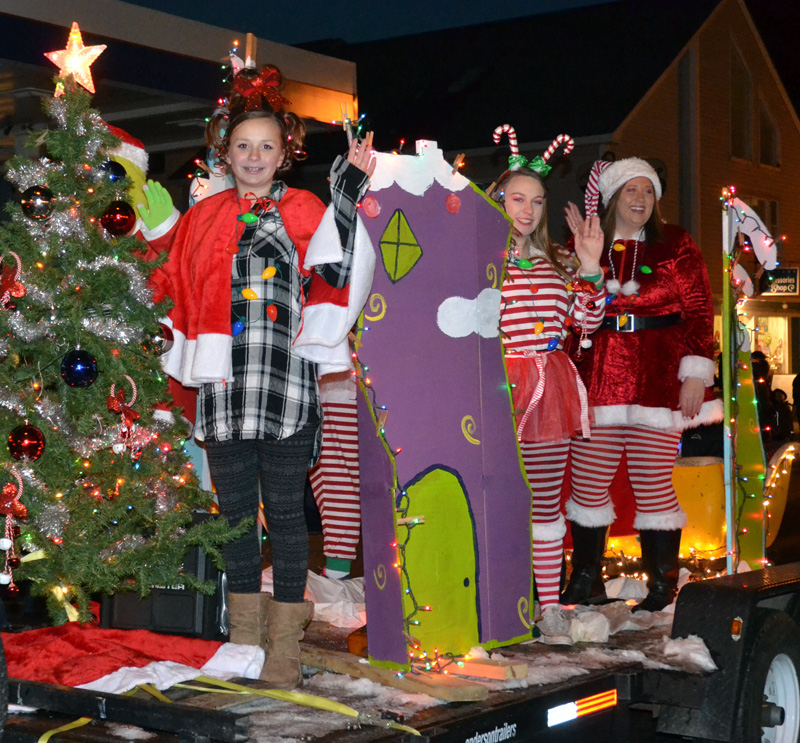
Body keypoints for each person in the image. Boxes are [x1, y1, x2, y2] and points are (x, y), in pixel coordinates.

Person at [147, 65, 375, 688]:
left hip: (287, 388)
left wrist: (347, 193)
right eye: (242, 145)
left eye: (266, 146)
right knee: (235, 517)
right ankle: (245, 639)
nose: (253, 156)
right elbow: (171, 282)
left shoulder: (305, 209)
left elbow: (341, 265)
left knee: (286, 513)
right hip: (223, 389)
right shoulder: (205, 216)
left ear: (284, 154)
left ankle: (284, 647)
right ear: (227, 152)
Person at [561, 158, 722, 612]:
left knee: (654, 485)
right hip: (600, 378)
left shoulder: (676, 244)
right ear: (613, 198)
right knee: (588, 484)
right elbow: (569, 312)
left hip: (658, 377)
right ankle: (586, 578)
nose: (640, 200)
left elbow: (697, 308)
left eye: (648, 192)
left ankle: (661, 587)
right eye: (631, 191)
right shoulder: (586, 245)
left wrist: (695, 373)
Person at [490, 130, 605, 621]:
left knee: (542, 503)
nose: (529, 209)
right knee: (495, 498)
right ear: (497, 199)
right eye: (518, 198)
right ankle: (499, 605)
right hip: (495, 387)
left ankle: (550, 607)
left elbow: (589, 320)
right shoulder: (478, 260)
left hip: (550, 385)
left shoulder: (559, 261)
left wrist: (592, 266)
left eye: (537, 201)